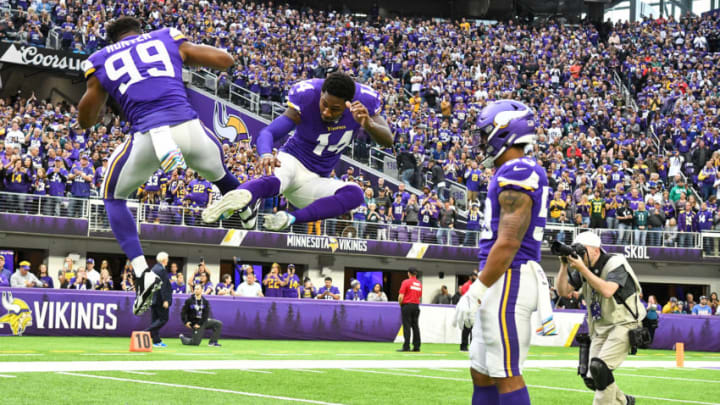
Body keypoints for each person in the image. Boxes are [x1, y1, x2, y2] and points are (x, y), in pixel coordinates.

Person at [78, 16, 240, 316]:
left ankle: (141, 271)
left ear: (112, 40)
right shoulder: (166, 36)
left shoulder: (100, 58)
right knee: (220, 175)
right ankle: (246, 203)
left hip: (149, 134)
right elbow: (225, 60)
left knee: (113, 196)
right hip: (191, 128)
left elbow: (87, 119)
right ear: (140, 32)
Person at [202, 72, 393, 232]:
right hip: (293, 159)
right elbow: (269, 132)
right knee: (277, 178)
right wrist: (267, 154)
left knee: (356, 194)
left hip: (315, 181)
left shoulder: (365, 103)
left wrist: (368, 124)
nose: (326, 112)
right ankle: (241, 196)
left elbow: (387, 140)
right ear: (321, 95)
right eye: (324, 104)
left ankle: (288, 218)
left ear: (350, 104)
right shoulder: (308, 95)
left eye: (335, 109)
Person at [454, 100, 552, 405]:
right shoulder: (511, 170)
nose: (482, 142)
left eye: (486, 134)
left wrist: (477, 290)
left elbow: (508, 241)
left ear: (504, 131)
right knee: (481, 371)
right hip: (500, 276)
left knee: (505, 372)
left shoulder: (519, 169)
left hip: (510, 276)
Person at [555, 231, 644, 405]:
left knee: (599, 368)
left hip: (625, 322)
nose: (578, 255)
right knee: (592, 378)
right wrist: (564, 265)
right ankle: (624, 401)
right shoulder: (584, 268)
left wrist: (582, 269)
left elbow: (608, 290)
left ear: (595, 250)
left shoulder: (615, 263)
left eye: (582, 250)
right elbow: (563, 292)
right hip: (601, 326)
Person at [147, 252, 172, 347]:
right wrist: (165, 300)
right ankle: (146, 332)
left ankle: (156, 341)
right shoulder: (161, 270)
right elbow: (163, 286)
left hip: (153, 299)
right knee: (163, 319)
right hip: (159, 299)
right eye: (167, 258)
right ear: (164, 260)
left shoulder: (154, 269)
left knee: (155, 320)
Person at [398, 267, 422, 352]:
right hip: (416, 306)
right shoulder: (419, 283)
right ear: (415, 274)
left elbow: (401, 296)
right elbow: (419, 296)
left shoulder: (406, 282)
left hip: (407, 306)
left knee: (407, 326)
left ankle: (406, 346)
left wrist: (401, 304)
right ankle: (417, 346)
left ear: (408, 273)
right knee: (415, 326)